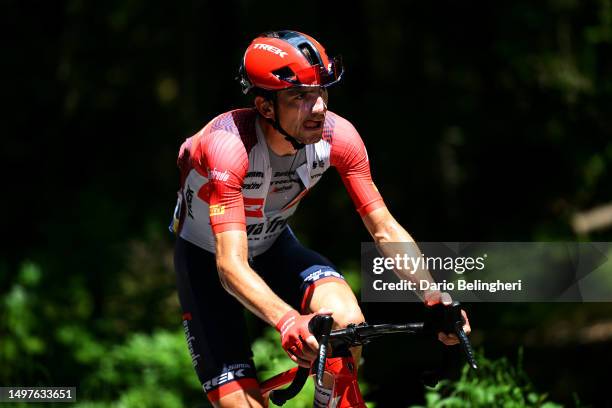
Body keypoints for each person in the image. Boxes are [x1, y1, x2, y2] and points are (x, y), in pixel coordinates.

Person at [171, 30, 471, 407]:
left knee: (347, 324)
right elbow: (230, 265)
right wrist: (287, 320)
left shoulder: (339, 137)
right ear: (266, 108)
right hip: (207, 262)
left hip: (275, 246)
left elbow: (384, 227)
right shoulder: (228, 148)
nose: (318, 108)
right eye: (300, 96)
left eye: (321, 91)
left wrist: (434, 295)